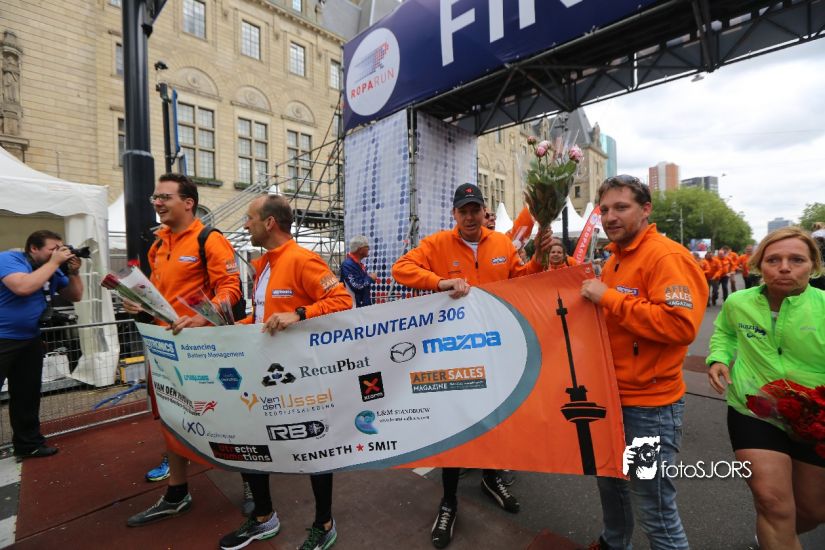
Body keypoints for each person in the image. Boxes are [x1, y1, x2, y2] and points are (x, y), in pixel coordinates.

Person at [392, 182, 544, 549]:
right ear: (455, 214)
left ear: (483, 210)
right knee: (454, 425)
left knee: (494, 419)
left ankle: (492, 478)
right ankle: (448, 501)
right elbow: (401, 269)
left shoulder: (502, 244)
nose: (470, 216)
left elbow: (521, 280)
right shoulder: (437, 244)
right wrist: (441, 282)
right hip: (454, 354)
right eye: (464, 211)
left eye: (475, 209)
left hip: (495, 350)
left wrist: (540, 259)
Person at [578, 175, 707, 550]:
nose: (610, 217)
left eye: (621, 207)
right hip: (612, 397)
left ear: (646, 209)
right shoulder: (616, 258)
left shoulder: (666, 256)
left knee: (655, 509)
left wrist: (608, 298)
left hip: (649, 408)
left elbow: (680, 326)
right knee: (611, 484)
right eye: (605, 209)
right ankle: (613, 542)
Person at [219, 194, 351, 550]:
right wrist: (228, 329)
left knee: (313, 447)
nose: (245, 224)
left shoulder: (301, 259)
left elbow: (343, 301)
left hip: (301, 379)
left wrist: (300, 314)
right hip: (262, 375)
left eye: (249, 218)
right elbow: (264, 317)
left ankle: (324, 524)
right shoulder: (264, 264)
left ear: (269, 223)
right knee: (251, 441)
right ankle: (264, 517)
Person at [123, 173, 245, 526]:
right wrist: (139, 306)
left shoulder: (210, 239)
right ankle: (177, 494)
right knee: (171, 416)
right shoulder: (157, 245)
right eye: (155, 197)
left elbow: (231, 289)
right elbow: (157, 298)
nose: (157, 202)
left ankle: (252, 483)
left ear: (188, 203)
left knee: (229, 417)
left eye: (165, 197)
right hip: (165, 348)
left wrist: (202, 319)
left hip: (204, 348)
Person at [707, 227, 825, 550]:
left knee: (813, 511)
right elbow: (725, 333)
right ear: (759, 265)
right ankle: (775, 529)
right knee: (773, 503)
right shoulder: (738, 302)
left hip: (815, 418)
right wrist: (718, 358)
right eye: (773, 260)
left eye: (796, 260)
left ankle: (775, 534)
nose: (784, 267)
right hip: (753, 409)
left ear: (813, 266)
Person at [0, 230, 83, 459]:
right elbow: (22, 287)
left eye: (61, 248)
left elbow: (75, 295)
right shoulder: (9, 259)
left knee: (27, 395)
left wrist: (74, 272)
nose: (59, 253)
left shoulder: (52, 269)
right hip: (2, 338)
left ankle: (28, 445)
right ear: (33, 248)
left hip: (30, 339)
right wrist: (55, 262)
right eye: (53, 249)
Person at [339, 235, 377, 308]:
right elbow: (357, 286)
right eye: (367, 246)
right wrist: (370, 278)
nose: (369, 249)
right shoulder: (348, 265)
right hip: (354, 308)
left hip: (361, 307)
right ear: (360, 250)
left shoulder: (357, 264)